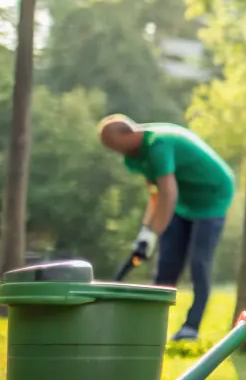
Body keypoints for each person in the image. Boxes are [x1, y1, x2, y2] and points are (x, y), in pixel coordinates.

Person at [98, 116, 235, 342]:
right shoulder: (134, 157)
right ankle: (152, 326)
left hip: (213, 196)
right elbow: (156, 194)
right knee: (167, 264)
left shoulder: (158, 144)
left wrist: (154, 232)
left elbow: (168, 194)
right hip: (184, 201)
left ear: (128, 133)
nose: (116, 152)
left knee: (199, 263)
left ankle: (191, 328)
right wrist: (145, 233)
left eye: (115, 145)